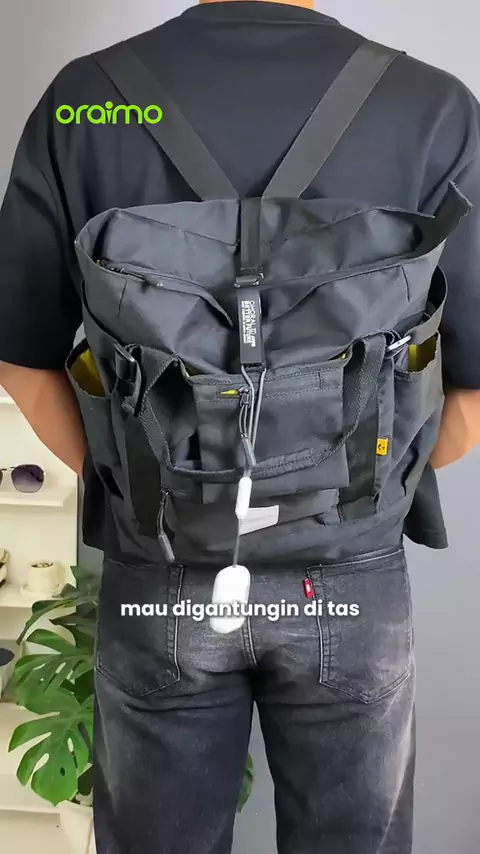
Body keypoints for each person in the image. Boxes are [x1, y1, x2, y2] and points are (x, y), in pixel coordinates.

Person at [0, 2, 479, 852]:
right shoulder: (432, 107)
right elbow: (471, 394)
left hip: (162, 568)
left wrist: (137, 491)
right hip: (350, 574)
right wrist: (366, 501)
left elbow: (22, 360)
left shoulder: (87, 102)